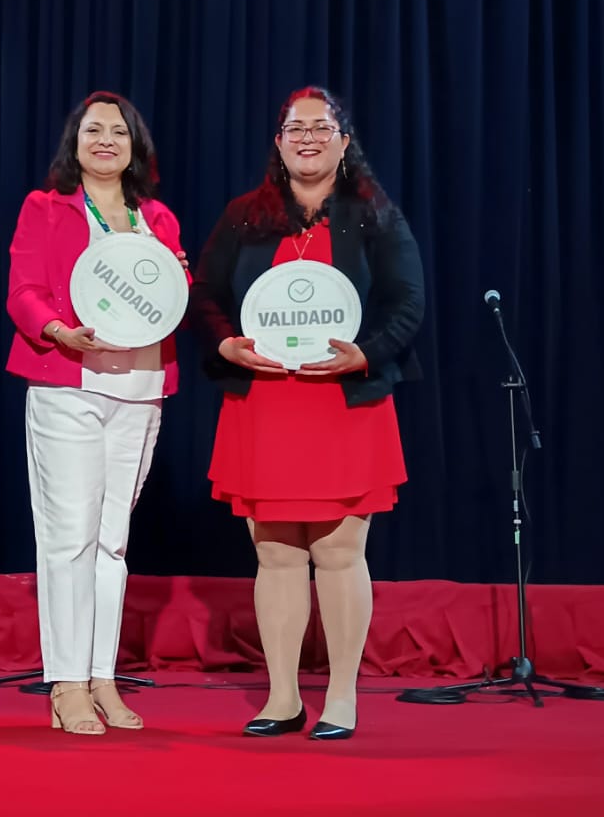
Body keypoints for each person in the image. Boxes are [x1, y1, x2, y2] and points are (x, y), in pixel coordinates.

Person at [189, 86, 424, 740]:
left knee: (341, 552)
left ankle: (342, 697)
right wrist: (227, 342)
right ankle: (282, 698)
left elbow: (408, 301)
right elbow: (204, 293)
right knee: (277, 555)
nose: (308, 137)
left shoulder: (373, 215)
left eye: (322, 128)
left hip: (342, 403)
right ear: (279, 141)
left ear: (345, 142)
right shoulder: (245, 216)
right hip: (265, 402)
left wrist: (364, 355)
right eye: (296, 128)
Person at [6, 92, 188, 735]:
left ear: (135, 145)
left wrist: (179, 284)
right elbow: (22, 290)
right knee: (69, 539)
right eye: (93, 130)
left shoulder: (158, 220)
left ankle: (103, 677)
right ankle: (67, 684)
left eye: (118, 131)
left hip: (139, 389)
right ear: (75, 142)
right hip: (68, 386)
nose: (105, 140)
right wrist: (57, 329)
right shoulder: (45, 208)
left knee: (113, 544)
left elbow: (170, 300)